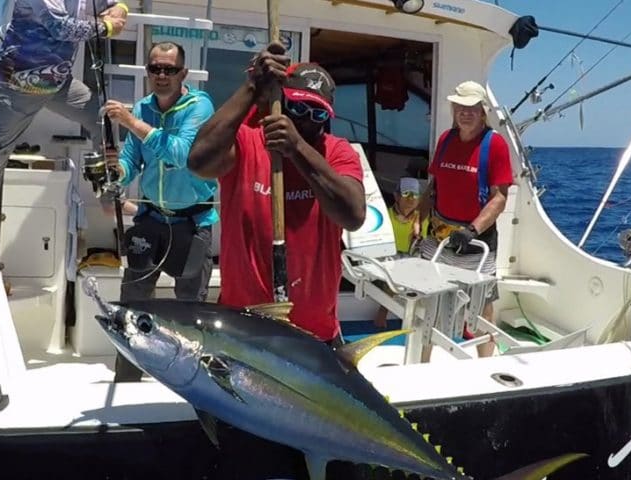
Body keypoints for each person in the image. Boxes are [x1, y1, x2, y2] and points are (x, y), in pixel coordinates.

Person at [187, 42, 366, 347]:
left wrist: (297, 148)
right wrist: (253, 86)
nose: (306, 120)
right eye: (297, 108)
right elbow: (199, 162)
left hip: (314, 335)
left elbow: (353, 216)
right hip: (242, 327)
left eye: (317, 114)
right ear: (281, 100)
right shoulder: (247, 142)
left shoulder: (337, 152)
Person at [0, 0, 129, 258]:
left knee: (104, 116)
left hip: (58, 83)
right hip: (17, 85)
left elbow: (116, 3)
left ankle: (108, 193)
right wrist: (106, 26)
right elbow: (60, 28)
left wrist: (121, 9)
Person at [100, 42, 217, 382]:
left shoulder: (199, 105)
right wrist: (118, 172)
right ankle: (126, 377)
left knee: (188, 310)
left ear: (184, 73)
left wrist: (131, 121)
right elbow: (132, 159)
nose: (161, 75)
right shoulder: (143, 106)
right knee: (132, 303)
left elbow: (180, 153)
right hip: (150, 218)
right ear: (148, 71)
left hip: (191, 222)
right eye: (155, 68)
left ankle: (188, 382)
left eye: (169, 69)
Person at [417, 80, 514, 357]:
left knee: (481, 307)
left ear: (483, 112)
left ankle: (485, 364)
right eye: (460, 106)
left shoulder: (495, 145)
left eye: (472, 107)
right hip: (437, 238)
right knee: (430, 301)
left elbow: (499, 198)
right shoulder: (445, 140)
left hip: (477, 243)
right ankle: (422, 363)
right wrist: (418, 219)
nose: (465, 112)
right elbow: (433, 186)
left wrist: (471, 230)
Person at [372, 176, 429, 327]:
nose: (411, 199)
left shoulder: (421, 219)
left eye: (415, 195)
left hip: (411, 259)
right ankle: (382, 313)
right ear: (396, 196)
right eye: (406, 194)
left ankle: (413, 319)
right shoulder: (386, 215)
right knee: (394, 274)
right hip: (389, 257)